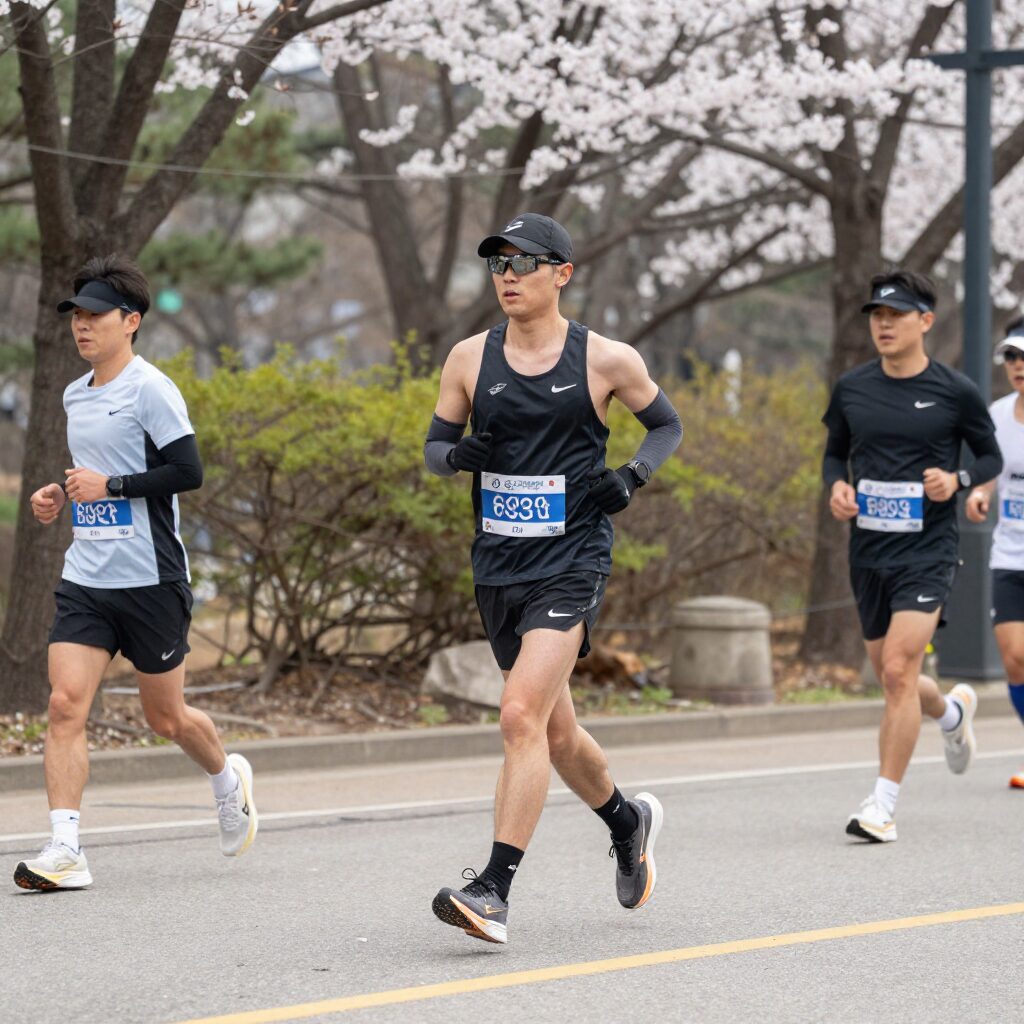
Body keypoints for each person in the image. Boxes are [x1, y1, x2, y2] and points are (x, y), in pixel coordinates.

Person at [423, 213, 682, 943]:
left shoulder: (605, 359)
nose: (507, 277)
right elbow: (435, 451)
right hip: (498, 563)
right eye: (497, 265)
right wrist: (460, 457)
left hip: (572, 559)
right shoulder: (470, 358)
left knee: (516, 715)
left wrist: (629, 477)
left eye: (523, 263)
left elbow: (666, 426)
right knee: (555, 733)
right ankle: (627, 822)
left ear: (561, 273)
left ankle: (494, 890)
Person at [14, 255, 257, 891]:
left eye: (96, 315)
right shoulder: (74, 394)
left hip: (151, 581)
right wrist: (59, 495)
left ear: (132, 321)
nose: (82, 326)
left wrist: (111, 485)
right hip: (87, 578)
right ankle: (66, 848)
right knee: (65, 705)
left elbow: (187, 472)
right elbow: (89, 473)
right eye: (77, 315)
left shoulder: (152, 388)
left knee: (166, 719)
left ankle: (227, 780)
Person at [822, 270, 1002, 843]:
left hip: (928, 550)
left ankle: (882, 805)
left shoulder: (956, 390)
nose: (884, 325)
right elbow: (834, 455)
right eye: (877, 315)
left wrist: (959, 478)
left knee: (900, 669)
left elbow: (990, 457)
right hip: (869, 549)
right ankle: (950, 715)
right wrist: (837, 487)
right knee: (894, 676)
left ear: (925, 321)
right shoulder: (852, 387)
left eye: (896, 315)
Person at [965, 315, 1024, 788]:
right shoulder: (998, 415)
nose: (1018, 365)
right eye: (1011, 356)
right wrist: (981, 493)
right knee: (1014, 657)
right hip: (1009, 553)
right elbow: (991, 471)